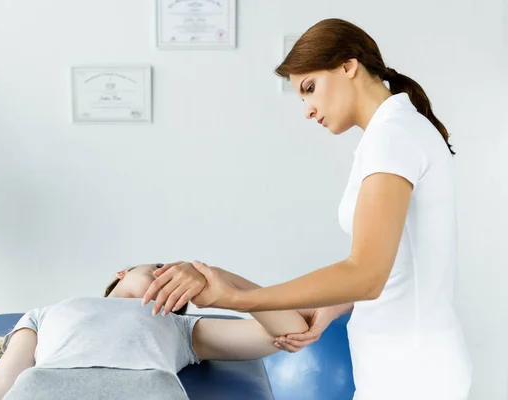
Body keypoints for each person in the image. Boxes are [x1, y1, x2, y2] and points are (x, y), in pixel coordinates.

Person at [142, 18, 473, 400]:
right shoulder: (396, 132)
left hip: (412, 377)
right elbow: (398, 265)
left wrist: (237, 301)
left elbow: (367, 274)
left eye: (309, 89)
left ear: (349, 66)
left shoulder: (394, 137)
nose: (308, 110)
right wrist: (329, 309)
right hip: (404, 369)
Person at [0, 263, 308, 400]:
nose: (167, 275)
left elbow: (289, 331)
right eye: (160, 268)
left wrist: (218, 281)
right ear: (123, 272)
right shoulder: (45, 313)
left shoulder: (178, 326)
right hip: (46, 391)